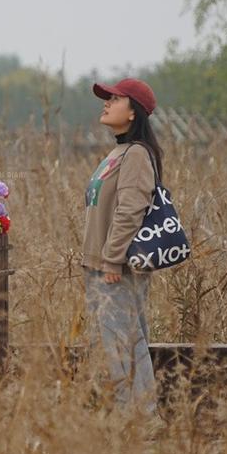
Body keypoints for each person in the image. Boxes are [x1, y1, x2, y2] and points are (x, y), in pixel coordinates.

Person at [81, 77, 162, 418]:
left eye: (115, 99)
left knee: (125, 343)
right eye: (107, 98)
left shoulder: (137, 154)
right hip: (101, 264)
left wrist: (112, 259)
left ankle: (143, 419)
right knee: (120, 342)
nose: (106, 103)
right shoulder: (118, 152)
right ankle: (133, 415)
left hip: (115, 267)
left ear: (133, 113)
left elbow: (131, 209)